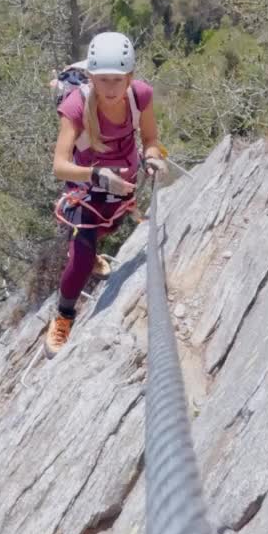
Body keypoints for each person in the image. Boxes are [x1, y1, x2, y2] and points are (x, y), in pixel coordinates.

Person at [47, 32, 167, 357]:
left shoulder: (139, 95)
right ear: (90, 77)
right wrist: (96, 175)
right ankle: (63, 316)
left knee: (110, 228)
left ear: (130, 76)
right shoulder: (75, 106)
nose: (111, 89)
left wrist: (154, 155)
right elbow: (59, 165)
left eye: (118, 80)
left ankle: (91, 252)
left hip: (123, 184)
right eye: (102, 81)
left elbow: (151, 137)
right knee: (82, 258)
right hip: (88, 185)